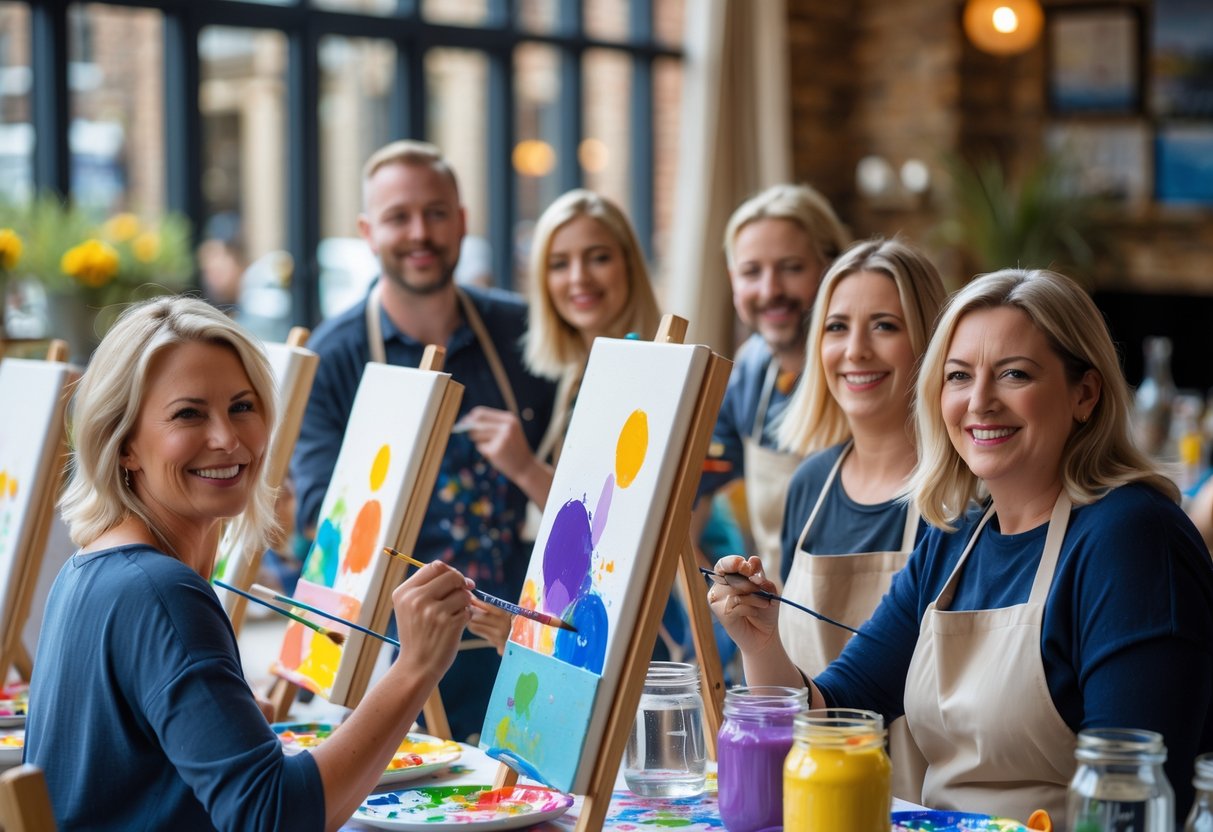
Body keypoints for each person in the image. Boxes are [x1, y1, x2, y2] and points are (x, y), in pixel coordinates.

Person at [708, 269, 1213, 823]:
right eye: (958, 376)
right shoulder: (954, 538)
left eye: (1014, 374)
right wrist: (759, 643)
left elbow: (1131, 802)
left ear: (1084, 394)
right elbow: (831, 717)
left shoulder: (1132, 539)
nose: (980, 401)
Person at [26, 297, 474, 831]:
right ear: (124, 445)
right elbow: (273, 817)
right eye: (188, 414)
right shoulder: (159, 591)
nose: (228, 438)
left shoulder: (93, 568)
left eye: (242, 406)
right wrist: (416, 668)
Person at [290, 140, 555, 742]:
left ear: (461, 221)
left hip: (524, 645)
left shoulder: (521, 333)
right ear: (367, 231)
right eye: (398, 217)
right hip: (392, 654)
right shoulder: (334, 358)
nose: (420, 233)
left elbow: (577, 483)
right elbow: (316, 514)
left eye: (436, 213)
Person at [765, 238, 946, 798]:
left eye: (885, 326)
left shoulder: (961, 499)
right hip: (808, 791)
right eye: (837, 327)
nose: (856, 350)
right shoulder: (810, 484)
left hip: (914, 807)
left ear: (933, 344)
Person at [457, 188, 661, 511]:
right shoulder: (573, 372)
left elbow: (617, 525)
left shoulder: (653, 378)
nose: (579, 278)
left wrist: (525, 468)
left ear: (630, 265)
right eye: (559, 264)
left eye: (599, 258)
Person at [697, 184, 850, 585]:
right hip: (777, 625)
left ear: (834, 269)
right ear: (733, 280)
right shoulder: (749, 371)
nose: (770, 291)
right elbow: (696, 481)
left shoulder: (865, 373)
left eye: (791, 267)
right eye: (751, 271)